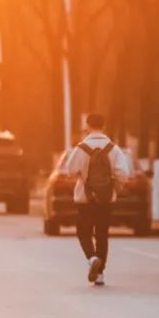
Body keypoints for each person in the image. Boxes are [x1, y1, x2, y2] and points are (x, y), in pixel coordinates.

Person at [64, 113, 130, 286]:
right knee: (102, 234)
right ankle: (100, 274)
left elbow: (69, 170)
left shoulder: (81, 148)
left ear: (87, 125)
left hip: (85, 199)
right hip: (106, 199)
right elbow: (124, 174)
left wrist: (82, 174)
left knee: (83, 232)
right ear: (104, 126)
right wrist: (113, 184)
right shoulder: (113, 148)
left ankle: (92, 258)